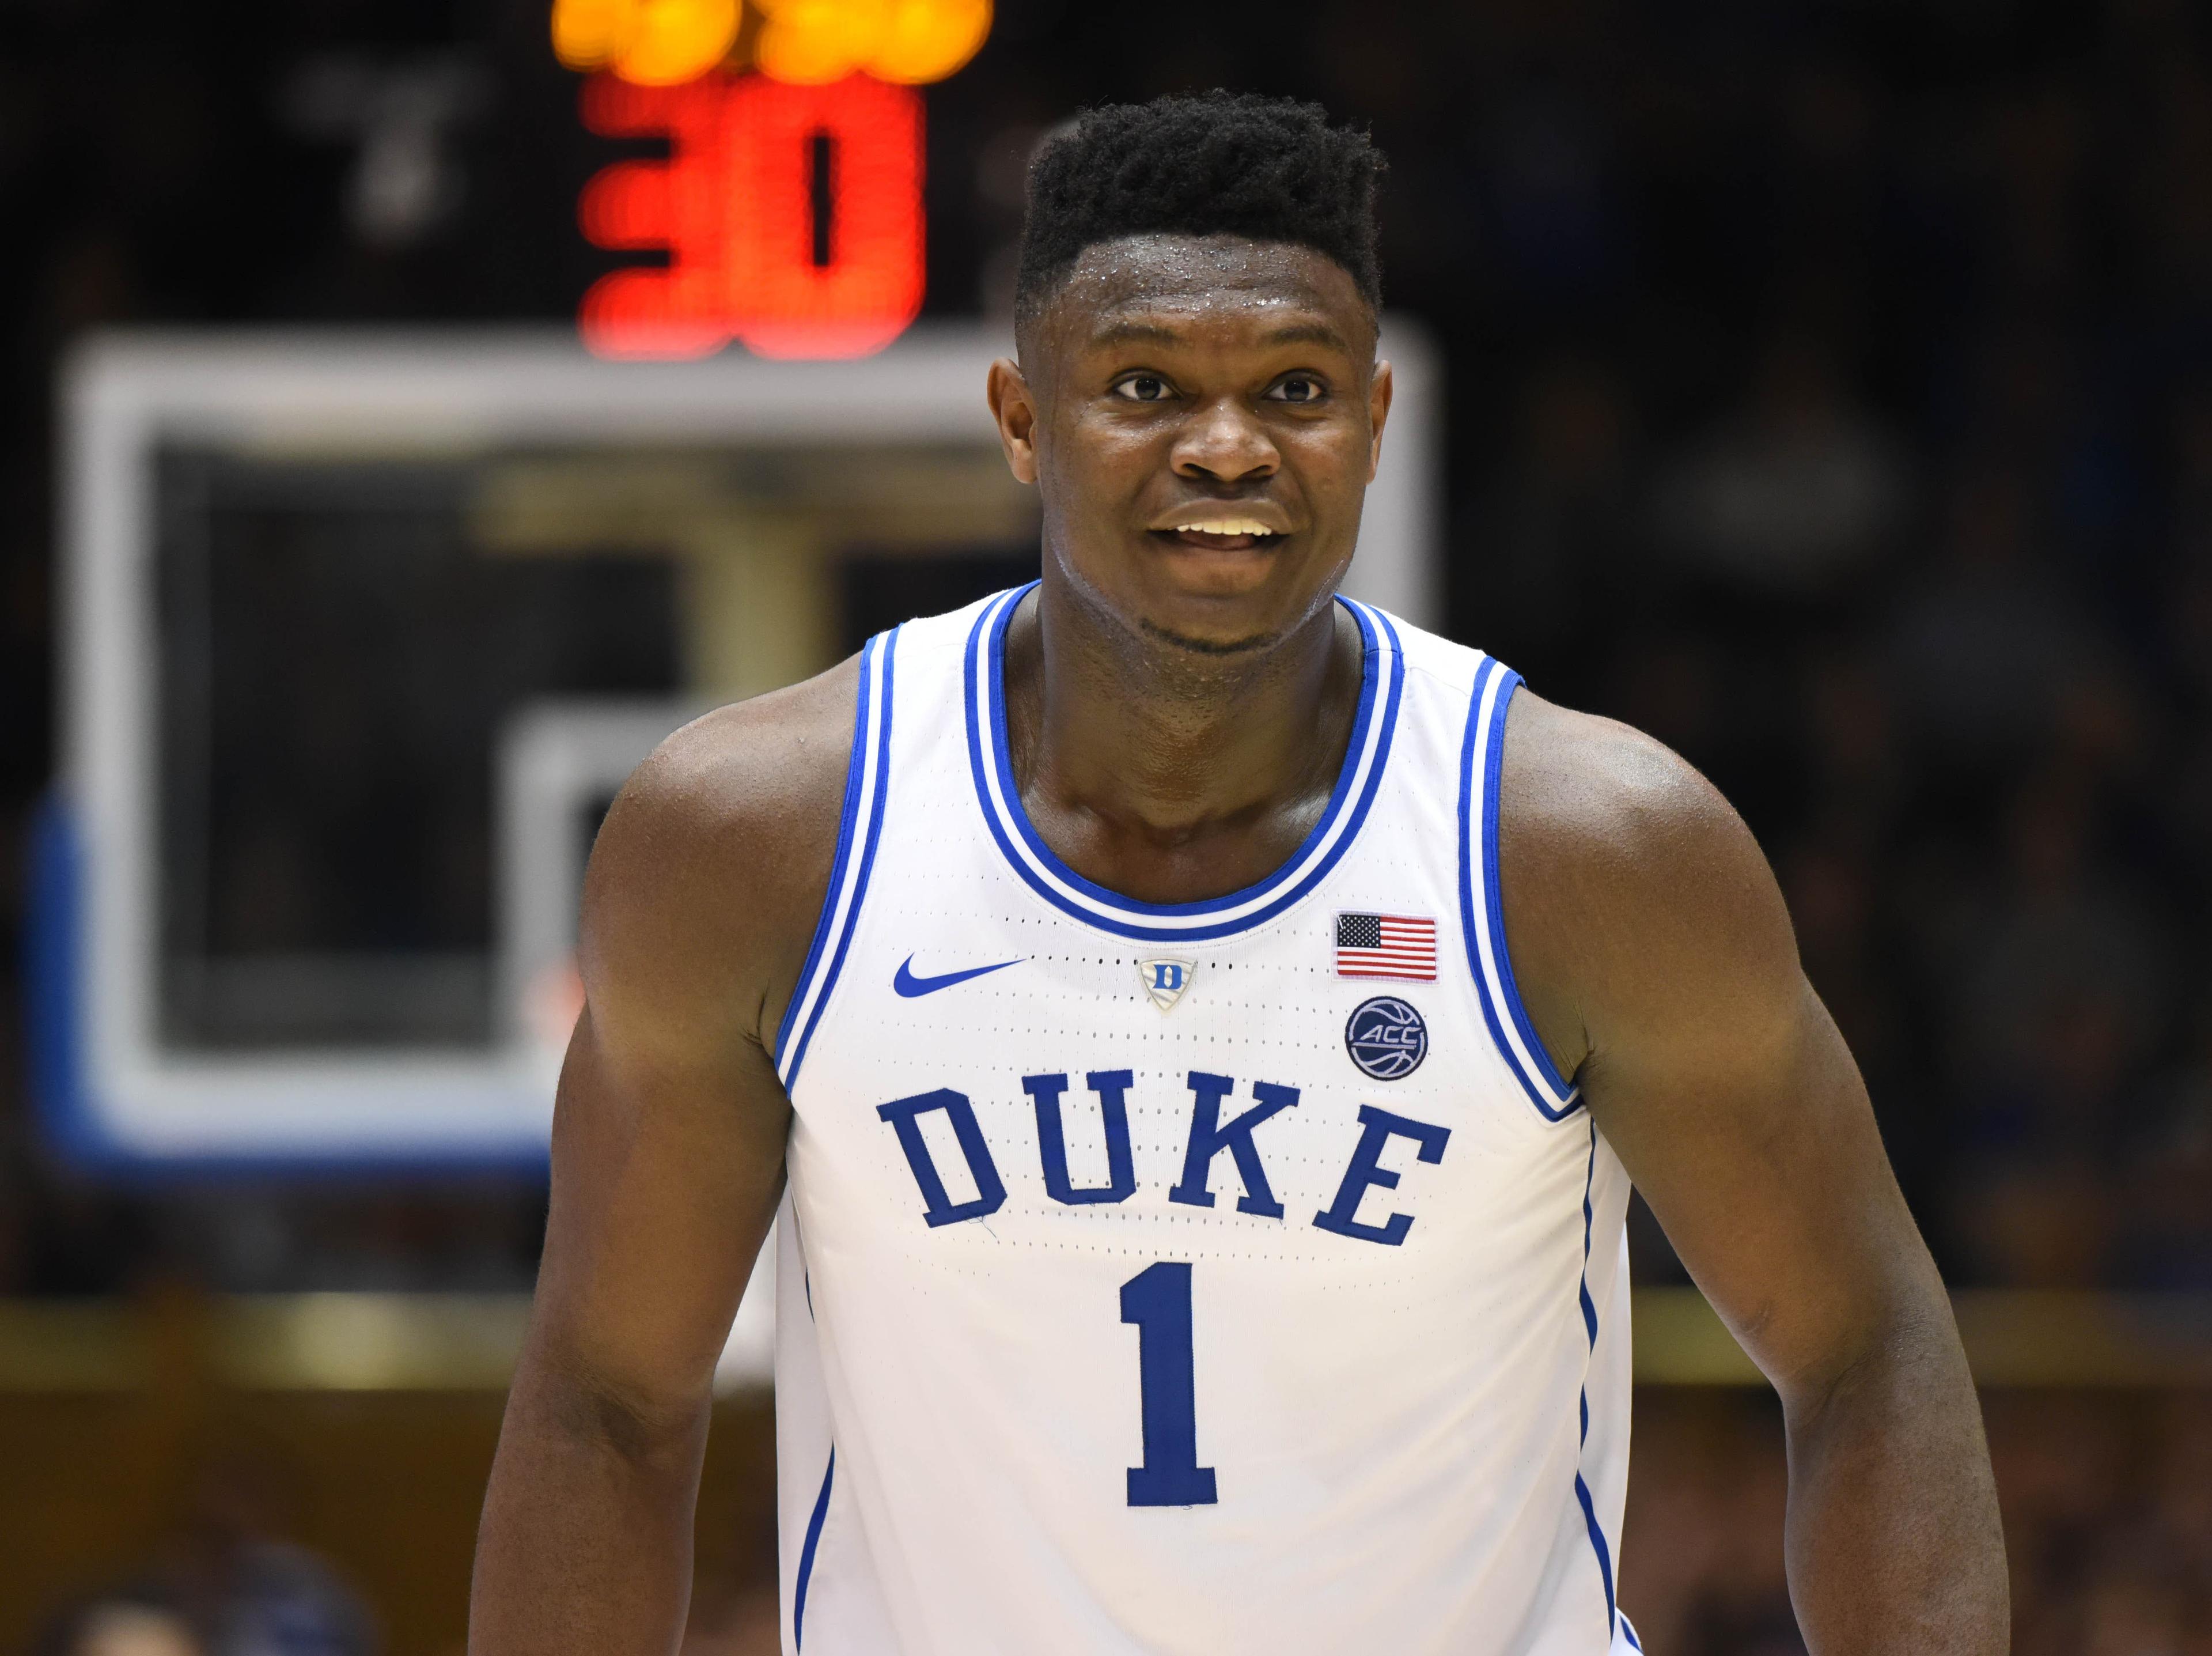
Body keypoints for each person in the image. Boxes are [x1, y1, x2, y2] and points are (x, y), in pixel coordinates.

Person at [469, 92, 2007, 1655]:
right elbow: (607, 1401)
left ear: (1376, 422)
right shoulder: (762, 844)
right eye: (1145, 386)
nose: (1226, 446)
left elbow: (1866, 1339)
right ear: (1020, 417)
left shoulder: (1584, 850)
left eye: (1295, 387)